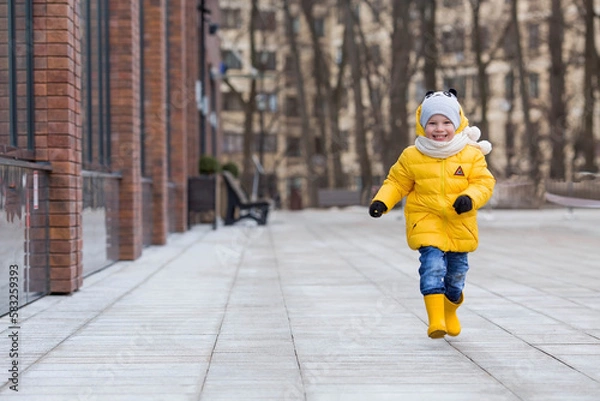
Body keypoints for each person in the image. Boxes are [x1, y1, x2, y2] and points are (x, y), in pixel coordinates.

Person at [369, 89, 495, 339]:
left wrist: (469, 198)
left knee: (456, 276)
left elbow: (484, 183)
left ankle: (450, 311)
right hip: (426, 221)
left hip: (460, 224)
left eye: (446, 122)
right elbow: (396, 182)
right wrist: (382, 201)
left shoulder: (470, 154)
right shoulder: (412, 155)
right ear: (422, 125)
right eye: (432, 123)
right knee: (432, 267)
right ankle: (436, 320)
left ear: (457, 123)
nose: (439, 129)